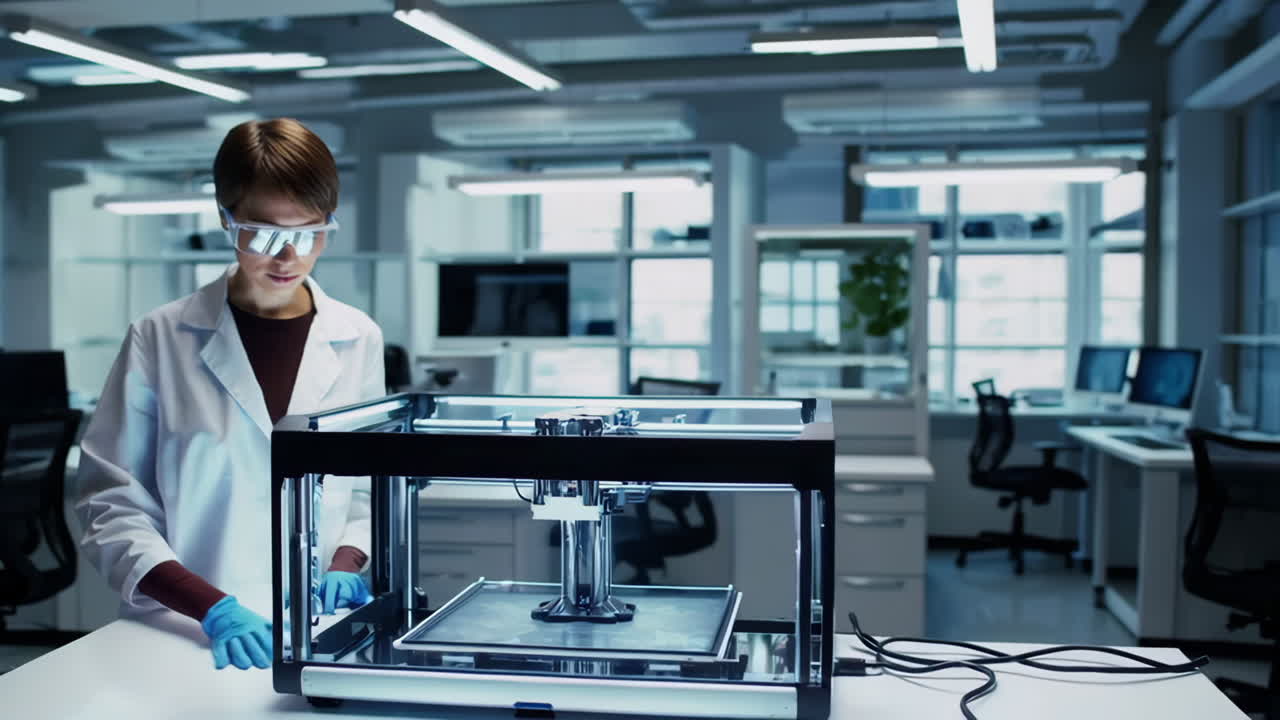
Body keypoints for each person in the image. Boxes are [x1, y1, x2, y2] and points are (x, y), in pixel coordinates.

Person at [75, 118, 385, 671]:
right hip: (184, 631)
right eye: (264, 234)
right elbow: (111, 507)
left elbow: (364, 482)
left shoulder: (357, 336)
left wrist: (346, 561)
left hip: (313, 629)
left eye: (310, 232)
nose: (287, 257)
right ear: (226, 218)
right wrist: (209, 607)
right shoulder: (160, 337)